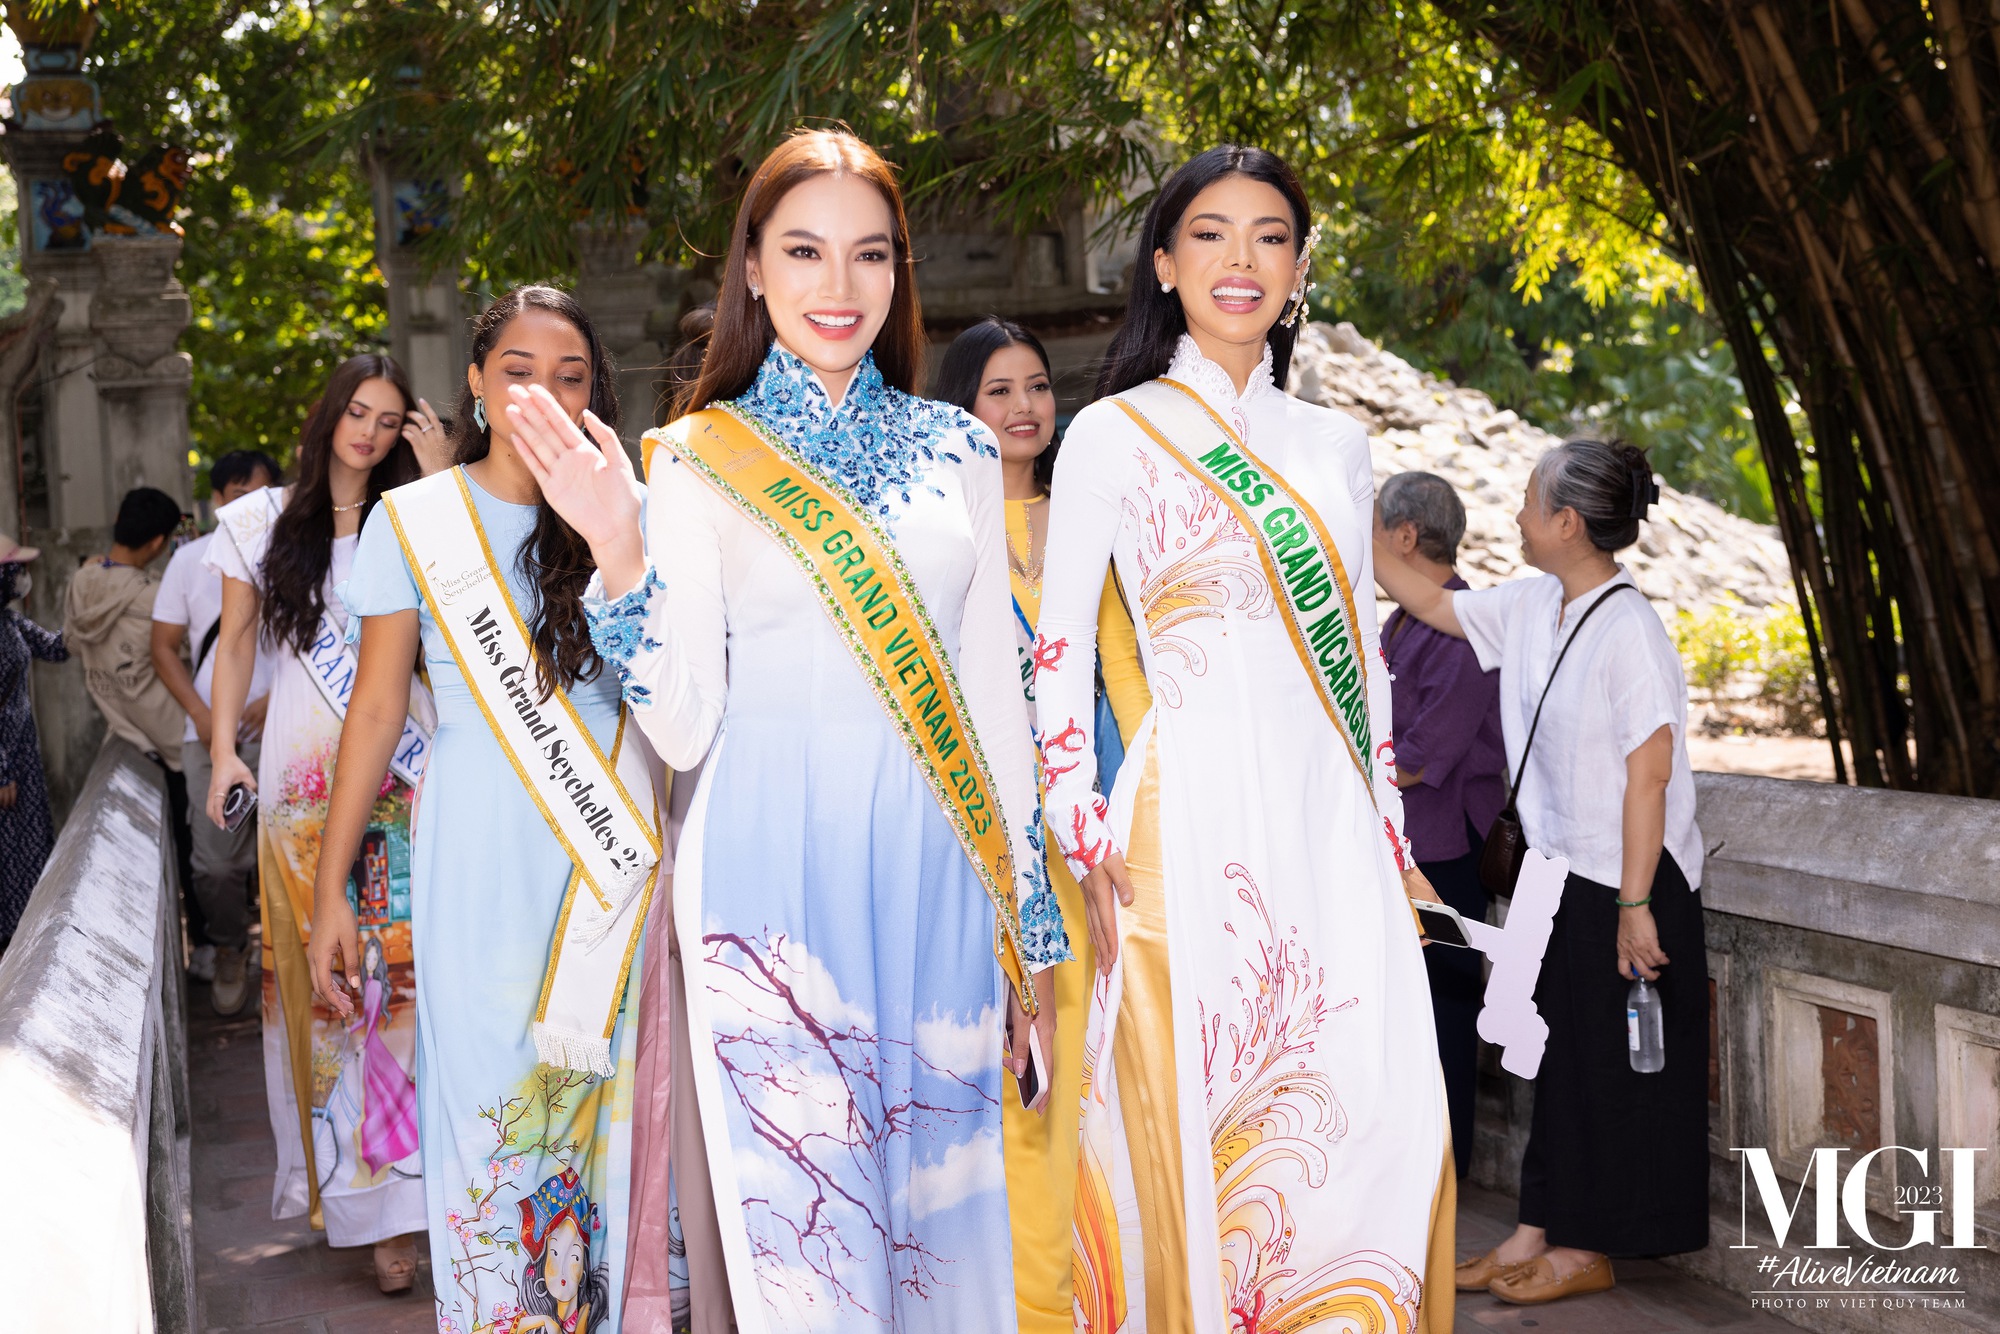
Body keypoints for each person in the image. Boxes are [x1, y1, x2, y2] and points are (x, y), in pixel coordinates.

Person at [511, 128, 1066, 1331]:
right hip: (767, 900)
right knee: (805, 1246)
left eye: (869, 255)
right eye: (803, 250)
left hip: (932, 886)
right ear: (752, 269)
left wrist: (1029, 930)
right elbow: (685, 718)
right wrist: (618, 549)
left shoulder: (958, 448)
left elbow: (992, 705)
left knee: (936, 1231)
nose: (838, 285)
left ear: (897, 275)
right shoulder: (698, 457)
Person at [1034, 144, 1456, 1333]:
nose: (1238, 259)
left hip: (1329, 824)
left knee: (1372, 1102)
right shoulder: (1110, 432)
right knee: (1195, 1106)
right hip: (1189, 819)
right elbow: (1059, 644)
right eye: (1208, 234)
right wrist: (1077, 821)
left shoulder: (1332, 445)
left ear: (1298, 266)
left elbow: (1360, 661)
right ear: (1163, 263)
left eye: (1267, 235)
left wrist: (1390, 832)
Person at [315, 287, 654, 1334]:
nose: (541, 395)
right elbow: (376, 708)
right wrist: (331, 888)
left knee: (595, 1109)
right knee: (488, 1107)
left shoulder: (625, 508)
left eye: (569, 375)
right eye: (517, 370)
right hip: (475, 849)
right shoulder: (413, 516)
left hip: (604, 850)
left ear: (594, 390)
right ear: (472, 380)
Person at [1372, 436, 1708, 1306]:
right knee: (1554, 1060)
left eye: (1529, 502)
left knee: (1606, 1067)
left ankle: (1586, 1245)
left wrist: (1636, 906)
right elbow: (1426, 599)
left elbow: (1650, 774)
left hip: (1627, 879)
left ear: (1566, 522)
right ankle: (1535, 1227)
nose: (1516, 516)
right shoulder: (1530, 605)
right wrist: (1335, 511)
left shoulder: (1629, 626)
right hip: (1558, 876)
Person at [933, 315, 1150, 1334]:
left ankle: (1060, 1293)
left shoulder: (1085, 522)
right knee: (983, 1066)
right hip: (964, 851)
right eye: (996, 391)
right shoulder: (933, 529)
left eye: (1035, 387)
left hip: (1069, 849)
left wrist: (1140, 815)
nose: (1023, 407)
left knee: (1062, 1072)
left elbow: (1122, 679)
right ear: (959, 410)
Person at [202, 354, 432, 1294]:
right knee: (336, 998)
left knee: (406, 989)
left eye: (388, 420)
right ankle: (357, 1199)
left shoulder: (419, 518)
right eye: (358, 413)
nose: (369, 432)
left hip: (406, 784)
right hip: (302, 796)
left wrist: (445, 463)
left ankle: (407, 1210)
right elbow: (238, 644)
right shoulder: (260, 523)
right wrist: (222, 751)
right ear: (329, 415)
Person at [1376, 470, 1506, 1180]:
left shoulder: (1462, 625)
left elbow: (1429, 754)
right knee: (1406, 1005)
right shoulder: (1401, 621)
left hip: (1449, 849)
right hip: (1405, 843)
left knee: (1449, 1005)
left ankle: (1446, 1166)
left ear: (1402, 536)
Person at [151, 449, 282, 1014]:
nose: (248, 506)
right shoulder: (189, 561)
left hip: (290, 724)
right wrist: (206, 719)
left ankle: (290, 961)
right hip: (211, 734)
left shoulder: (298, 552)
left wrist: (276, 699)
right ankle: (230, 946)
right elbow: (163, 647)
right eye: (236, 495)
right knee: (217, 862)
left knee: (292, 853)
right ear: (218, 500)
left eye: (259, 494)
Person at [0, 532, 66, 951]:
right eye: (15, 570)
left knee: (27, 849)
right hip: (7, 767)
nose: (22, 578)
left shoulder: (10, 622)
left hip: (21, 756)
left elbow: (56, 648)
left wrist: (86, 614)